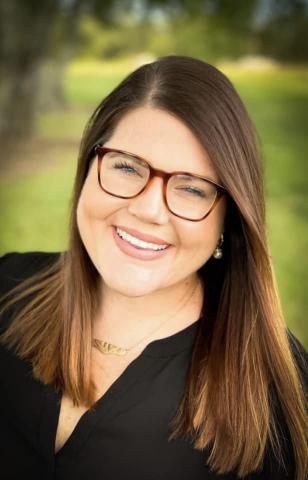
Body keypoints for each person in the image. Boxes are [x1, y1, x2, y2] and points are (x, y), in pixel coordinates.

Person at [0, 55, 307, 480]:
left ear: (229, 218)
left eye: (191, 189)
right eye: (127, 166)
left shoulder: (274, 384)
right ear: (89, 167)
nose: (148, 210)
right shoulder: (6, 287)